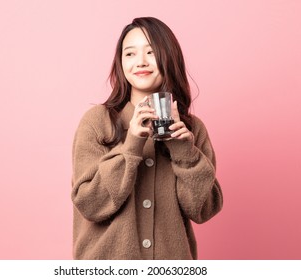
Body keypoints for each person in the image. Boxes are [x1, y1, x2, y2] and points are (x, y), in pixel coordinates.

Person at [71, 17, 223, 260]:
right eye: (129, 54)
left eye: (151, 52)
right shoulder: (97, 121)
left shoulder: (192, 129)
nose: (140, 62)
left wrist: (185, 153)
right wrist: (131, 145)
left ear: (168, 57)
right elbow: (90, 204)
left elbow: (204, 209)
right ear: (120, 63)